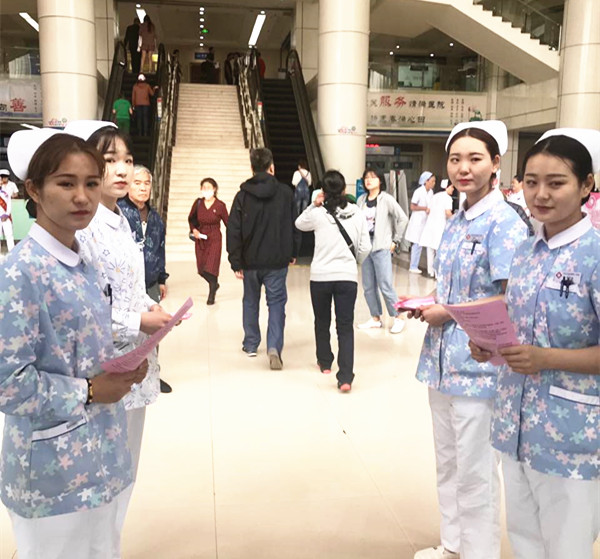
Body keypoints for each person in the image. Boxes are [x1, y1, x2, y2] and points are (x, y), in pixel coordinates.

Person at [1, 128, 147, 558]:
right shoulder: (21, 273)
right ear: (34, 190)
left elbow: (81, 347)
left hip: (98, 453)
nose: (82, 197)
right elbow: (9, 384)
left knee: (102, 548)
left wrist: (121, 366)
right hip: (51, 471)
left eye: (90, 183)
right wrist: (89, 390)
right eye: (66, 184)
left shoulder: (82, 261)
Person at [470, 128, 600, 559]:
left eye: (556, 183)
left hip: (572, 432)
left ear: (586, 185)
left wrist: (545, 358)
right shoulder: (526, 252)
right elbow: (518, 320)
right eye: (531, 182)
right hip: (516, 423)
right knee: (525, 536)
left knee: (567, 544)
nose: (540, 194)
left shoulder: (594, 256)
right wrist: (489, 343)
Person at [408, 120, 528, 559]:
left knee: (476, 471)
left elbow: (513, 296)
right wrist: (431, 302)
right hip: (441, 363)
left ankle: (479, 553)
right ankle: (453, 545)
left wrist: (449, 311)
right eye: (456, 159)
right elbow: (454, 286)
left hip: (480, 366)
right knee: (448, 463)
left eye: (475, 159)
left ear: (495, 164)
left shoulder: (504, 222)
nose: (464, 168)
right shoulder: (457, 220)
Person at [67, 121, 172, 554]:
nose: (123, 169)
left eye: (127, 159)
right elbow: (83, 307)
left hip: (134, 364)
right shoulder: (83, 226)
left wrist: (150, 309)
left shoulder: (121, 219)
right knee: (101, 473)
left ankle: (108, 546)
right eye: (110, 160)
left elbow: (125, 287)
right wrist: (138, 321)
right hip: (103, 369)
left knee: (125, 468)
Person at [295, 170, 371, 392]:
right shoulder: (358, 213)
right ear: (345, 189)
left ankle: (325, 362)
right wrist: (354, 262)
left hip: (320, 277)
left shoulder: (318, 214)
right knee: (345, 326)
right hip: (347, 278)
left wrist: (314, 204)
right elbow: (366, 247)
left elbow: (299, 223)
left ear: (323, 191)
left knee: (322, 320)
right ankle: (345, 377)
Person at [226, 147, 298, 370]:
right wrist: (293, 251)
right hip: (277, 261)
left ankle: (250, 344)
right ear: (271, 168)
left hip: (250, 262)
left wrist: (235, 261)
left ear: (252, 168)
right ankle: (274, 346)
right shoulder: (285, 193)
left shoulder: (242, 195)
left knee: (250, 300)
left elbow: (233, 230)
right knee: (276, 303)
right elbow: (294, 224)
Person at [118, 164, 173, 394]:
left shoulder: (155, 218)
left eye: (147, 183)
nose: (143, 188)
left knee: (154, 332)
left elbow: (160, 249)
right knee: (130, 330)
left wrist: (161, 279)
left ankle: (153, 374)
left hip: (149, 283)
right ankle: (126, 375)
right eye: (137, 183)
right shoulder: (119, 213)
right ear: (128, 186)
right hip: (126, 283)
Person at [356, 169, 409, 334]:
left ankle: (398, 317)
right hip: (366, 247)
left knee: (385, 284)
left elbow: (403, 218)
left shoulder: (386, 199)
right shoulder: (361, 200)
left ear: (380, 181)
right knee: (368, 286)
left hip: (381, 247)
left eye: (373, 177)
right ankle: (375, 318)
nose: (369, 180)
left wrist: (396, 240)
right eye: (366, 178)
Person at [188, 177, 229, 305]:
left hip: (214, 238)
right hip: (201, 238)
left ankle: (212, 293)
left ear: (214, 189)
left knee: (211, 267)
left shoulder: (220, 205)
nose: (206, 190)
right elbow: (191, 218)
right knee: (202, 269)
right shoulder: (198, 203)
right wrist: (194, 230)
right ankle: (215, 284)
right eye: (204, 187)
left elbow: (228, 222)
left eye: (209, 187)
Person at [419, 180, 455, 278]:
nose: (453, 189)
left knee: (430, 250)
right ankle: (437, 273)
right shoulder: (447, 198)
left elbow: (428, 210)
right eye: (452, 187)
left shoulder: (435, 196)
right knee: (439, 251)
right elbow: (448, 213)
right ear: (446, 187)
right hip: (440, 226)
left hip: (430, 226)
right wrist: (456, 219)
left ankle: (430, 271)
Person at [405, 171, 436, 274]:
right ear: (426, 181)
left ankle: (419, 265)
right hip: (418, 221)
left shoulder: (431, 192)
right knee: (417, 244)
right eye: (432, 181)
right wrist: (424, 208)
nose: (434, 183)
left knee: (422, 243)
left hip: (426, 221)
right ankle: (413, 266)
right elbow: (412, 206)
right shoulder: (418, 192)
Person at [0, 168, 18, 251]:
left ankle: (11, 253)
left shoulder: (6, 192)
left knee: (9, 235)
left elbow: (9, 204)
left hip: (5, 216)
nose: (2, 181)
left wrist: (6, 214)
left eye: (3, 178)